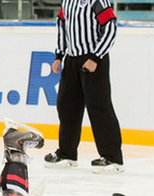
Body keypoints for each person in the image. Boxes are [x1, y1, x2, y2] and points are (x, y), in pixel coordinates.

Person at [43, 0, 124, 174]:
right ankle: (67, 154)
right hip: (72, 59)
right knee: (67, 106)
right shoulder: (67, 2)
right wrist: (59, 54)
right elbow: (62, 25)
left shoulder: (97, 1)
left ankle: (113, 158)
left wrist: (96, 57)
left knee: (99, 107)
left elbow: (110, 28)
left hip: (93, 58)